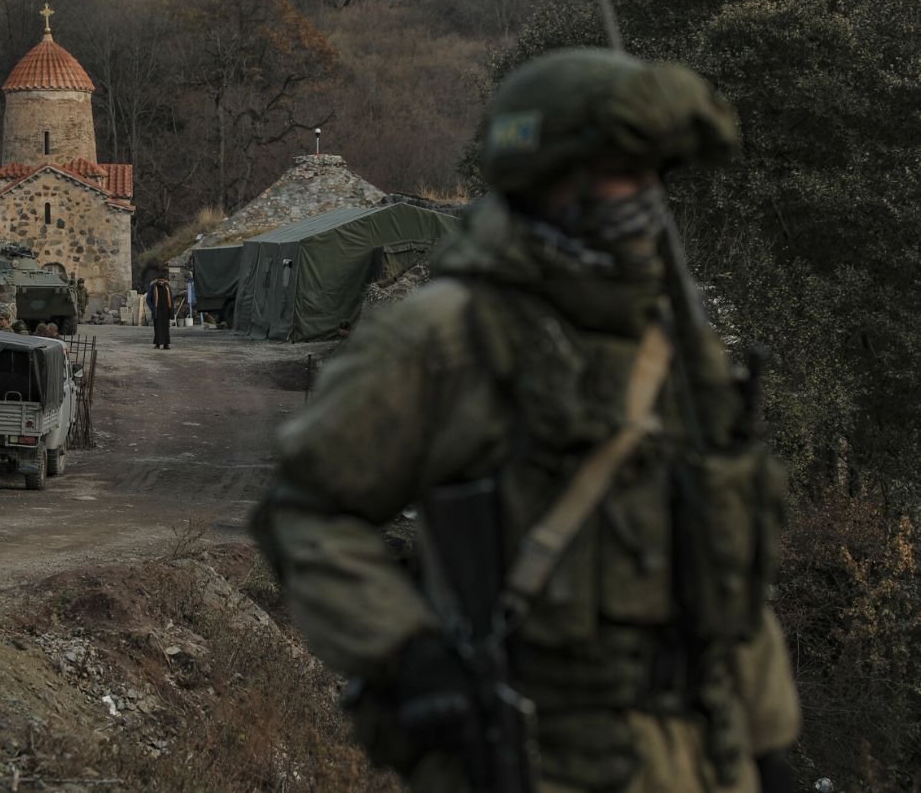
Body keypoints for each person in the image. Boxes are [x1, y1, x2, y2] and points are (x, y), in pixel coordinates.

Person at [252, 49, 800, 793]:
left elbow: (729, 578)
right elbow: (306, 512)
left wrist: (771, 746)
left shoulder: (676, 348)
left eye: (652, 179)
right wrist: (410, 657)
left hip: (697, 754)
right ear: (552, 182)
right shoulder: (452, 336)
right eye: (619, 175)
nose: (641, 201)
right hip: (536, 753)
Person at [147, 275, 172, 349]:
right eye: (160, 281)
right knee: (157, 328)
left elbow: (170, 299)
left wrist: (171, 310)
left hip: (165, 311)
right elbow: (148, 298)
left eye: (162, 281)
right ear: (157, 280)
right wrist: (152, 308)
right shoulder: (153, 287)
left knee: (166, 328)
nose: (161, 282)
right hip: (157, 311)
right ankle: (157, 344)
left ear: (164, 280)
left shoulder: (167, 287)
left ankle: (166, 344)